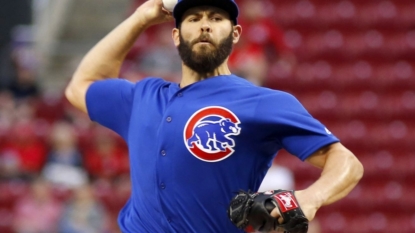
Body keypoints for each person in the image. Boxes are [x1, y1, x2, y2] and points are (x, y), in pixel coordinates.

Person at [65, 0, 364, 232]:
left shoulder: (263, 102)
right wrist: (141, 18)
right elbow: (81, 85)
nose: (204, 26)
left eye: (216, 18)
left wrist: (310, 198)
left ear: (235, 34)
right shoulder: (143, 97)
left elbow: (346, 162)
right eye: (193, 18)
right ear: (176, 35)